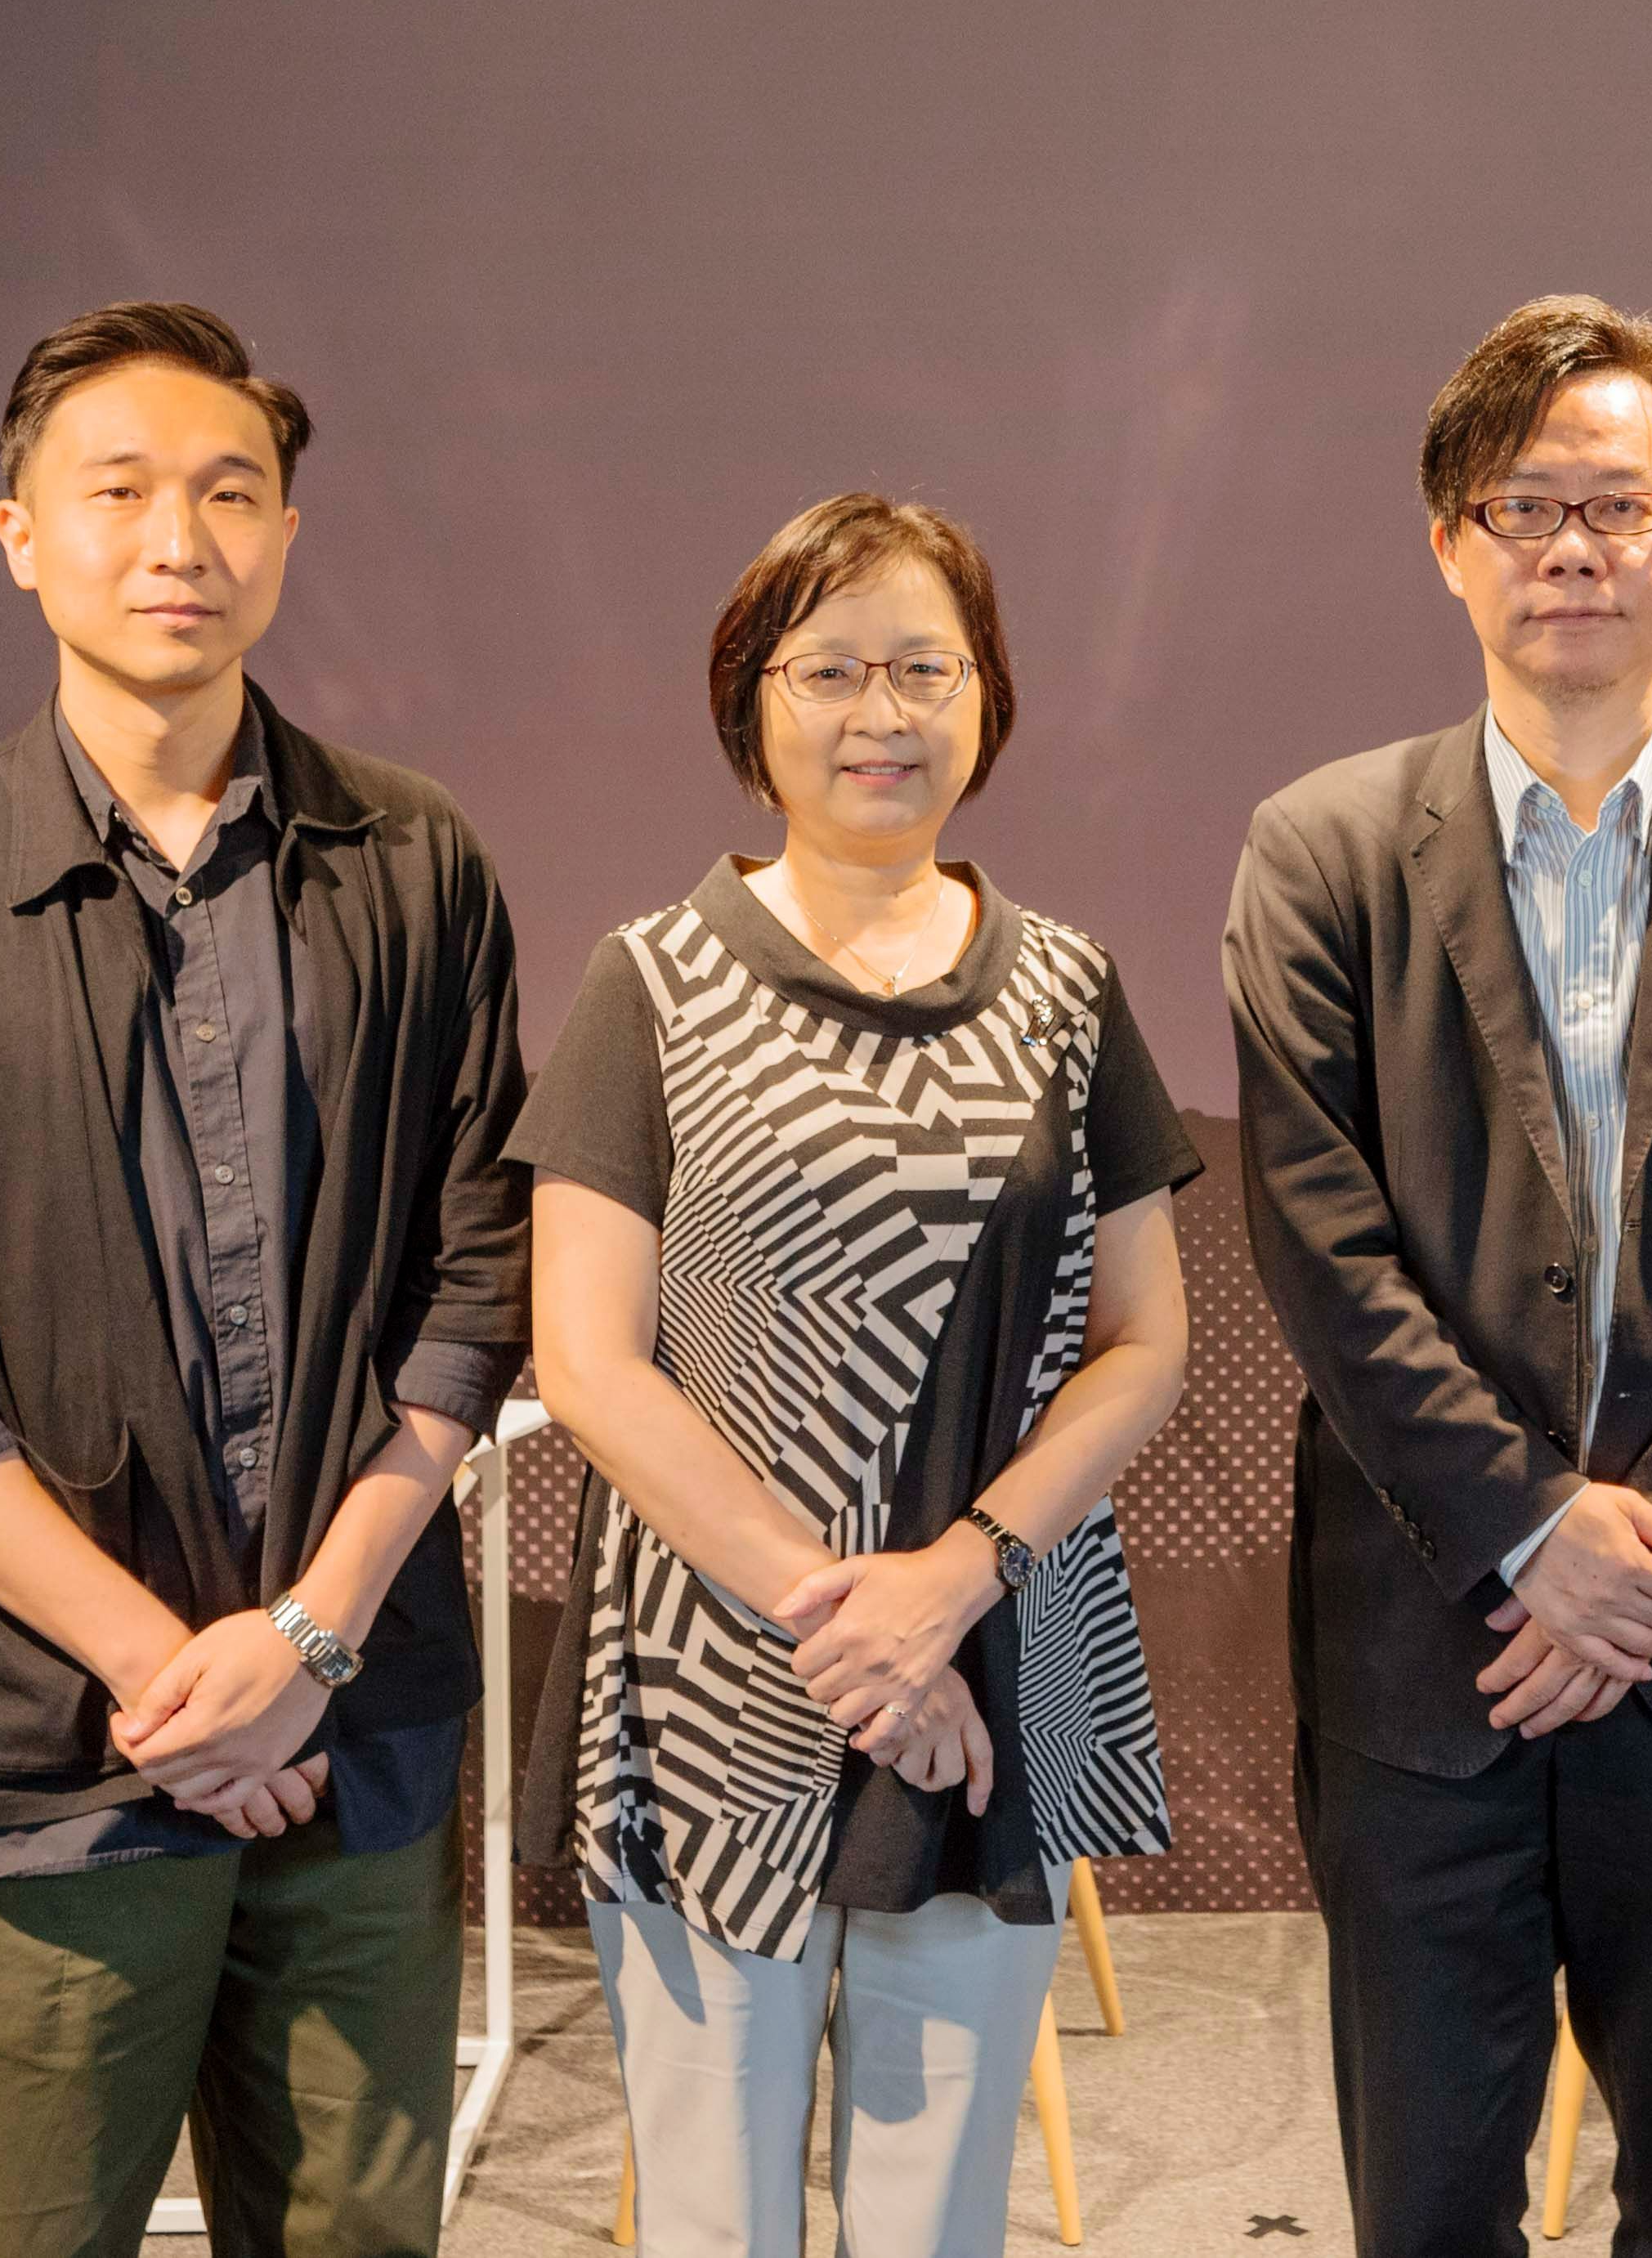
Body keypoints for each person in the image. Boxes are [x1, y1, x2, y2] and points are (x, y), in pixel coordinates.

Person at [0, 302, 531, 2258]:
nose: (179, 539)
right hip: (42, 1761)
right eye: (119, 492)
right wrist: (172, 1682)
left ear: (286, 535)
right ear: (20, 534)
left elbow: (476, 1282)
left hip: (357, 1733)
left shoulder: (414, 862)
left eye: (229, 493)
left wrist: (307, 1645)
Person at [1224, 295, 1652, 2258]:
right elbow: (1320, 1240)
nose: (1572, 550)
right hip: (1427, 1647)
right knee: (1426, 2208)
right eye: (1523, 507)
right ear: (1446, 541)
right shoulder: (1320, 851)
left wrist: (1641, 1564)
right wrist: (1533, 1534)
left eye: (1620, 504)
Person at [513, 492, 1197, 2256]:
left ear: (987, 700)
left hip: (996, 1654)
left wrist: (950, 1585)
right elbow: (586, 1362)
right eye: (826, 671)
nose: (877, 714)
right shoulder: (648, 983)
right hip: (712, 1679)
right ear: (749, 704)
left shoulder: (1068, 990)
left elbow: (1145, 1342)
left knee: (939, 2214)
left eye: (923, 669)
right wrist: (855, 1628)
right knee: (712, 2218)